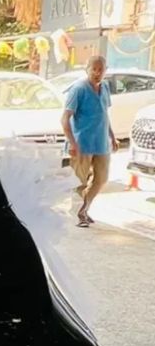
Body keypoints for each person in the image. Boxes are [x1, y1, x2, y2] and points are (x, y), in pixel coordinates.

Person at [61, 53, 112, 227]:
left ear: (105, 71)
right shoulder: (79, 89)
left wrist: (112, 137)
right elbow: (65, 119)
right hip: (82, 143)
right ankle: (78, 214)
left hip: (101, 142)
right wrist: (72, 142)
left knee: (101, 179)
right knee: (79, 182)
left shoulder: (105, 87)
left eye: (100, 69)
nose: (97, 73)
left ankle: (84, 208)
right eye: (94, 69)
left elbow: (104, 114)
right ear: (87, 70)